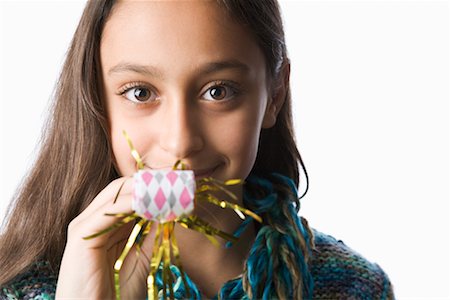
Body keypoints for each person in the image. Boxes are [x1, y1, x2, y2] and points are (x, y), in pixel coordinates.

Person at [0, 0, 394, 299]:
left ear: (274, 94)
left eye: (217, 91)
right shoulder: (18, 289)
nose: (181, 141)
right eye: (140, 93)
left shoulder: (355, 287)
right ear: (98, 103)